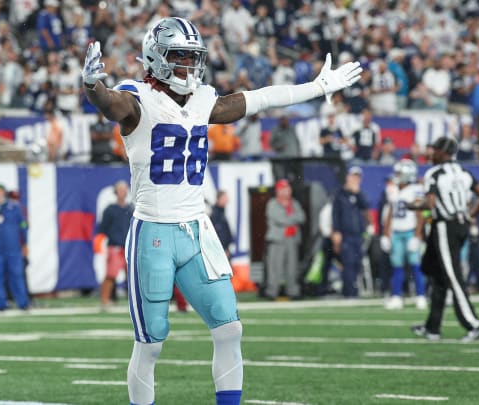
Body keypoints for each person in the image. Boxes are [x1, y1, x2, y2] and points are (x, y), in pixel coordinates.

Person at [81, 16, 361, 405]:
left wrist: (316, 87)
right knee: (151, 343)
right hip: (153, 233)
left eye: (192, 57)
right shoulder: (136, 98)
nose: (188, 66)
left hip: (197, 230)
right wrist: (93, 86)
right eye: (179, 57)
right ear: (156, 57)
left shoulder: (202, 100)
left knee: (229, 329)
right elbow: (110, 103)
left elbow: (259, 98)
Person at [411, 136, 479, 343]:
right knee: (438, 275)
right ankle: (432, 327)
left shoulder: (434, 173)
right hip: (460, 224)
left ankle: (474, 323)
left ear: (443, 152)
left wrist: (413, 206)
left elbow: (430, 204)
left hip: (445, 225)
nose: (431, 153)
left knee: (453, 276)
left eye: (435, 149)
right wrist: (471, 214)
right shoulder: (463, 172)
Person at [381, 159, 426, 310]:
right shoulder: (392, 189)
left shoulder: (416, 190)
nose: (396, 175)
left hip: (410, 232)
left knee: (416, 266)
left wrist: (417, 235)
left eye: (399, 173)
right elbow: (389, 213)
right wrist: (386, 234)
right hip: (396, 233)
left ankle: (420, 296)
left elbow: (420, 214)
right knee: (397, 267)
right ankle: (396, 296)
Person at [331, 166, 372, 298]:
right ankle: (349, 292)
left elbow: (366, 206)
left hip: (358, 234)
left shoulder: (359, 194)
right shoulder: (340, 194)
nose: (356, 180)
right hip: (345, 234)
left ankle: (353, 291)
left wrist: (357, 193)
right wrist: (336, 232)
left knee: (356, 263)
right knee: (348, 263)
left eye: (358, 177)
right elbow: (335, 214)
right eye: (353, 176)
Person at [264, 179, 305, 300]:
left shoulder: (294, 203)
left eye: (288, 188)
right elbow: (279, 219)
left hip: (292, 239)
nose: (287, 191)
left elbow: (302, 217)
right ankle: (272, 291)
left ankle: (293, 291)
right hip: (278, 239)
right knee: (275, 266)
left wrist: (290, 220)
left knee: (292, 266)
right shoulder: (272, 203)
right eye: (283, 189)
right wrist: (292, 221)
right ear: (278, 191)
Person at [97, 180, 134, 310]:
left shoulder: (131, 209)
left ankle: (134, 301)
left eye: (124, 190)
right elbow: (102, 228)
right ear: (115, 192)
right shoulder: (110, 210)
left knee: (133, 276)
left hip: (129, 246)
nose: (123, 192)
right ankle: (105, 300)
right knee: (111, 275)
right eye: (120, 190)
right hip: (115, 246)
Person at [210, 190, 233, 259]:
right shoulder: (215, 214)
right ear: (220, 199)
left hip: (223, 250)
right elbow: (219, 234)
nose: (227, 200)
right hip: (220, 251)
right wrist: (224, 249)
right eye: (225, 197)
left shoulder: (221, 212)